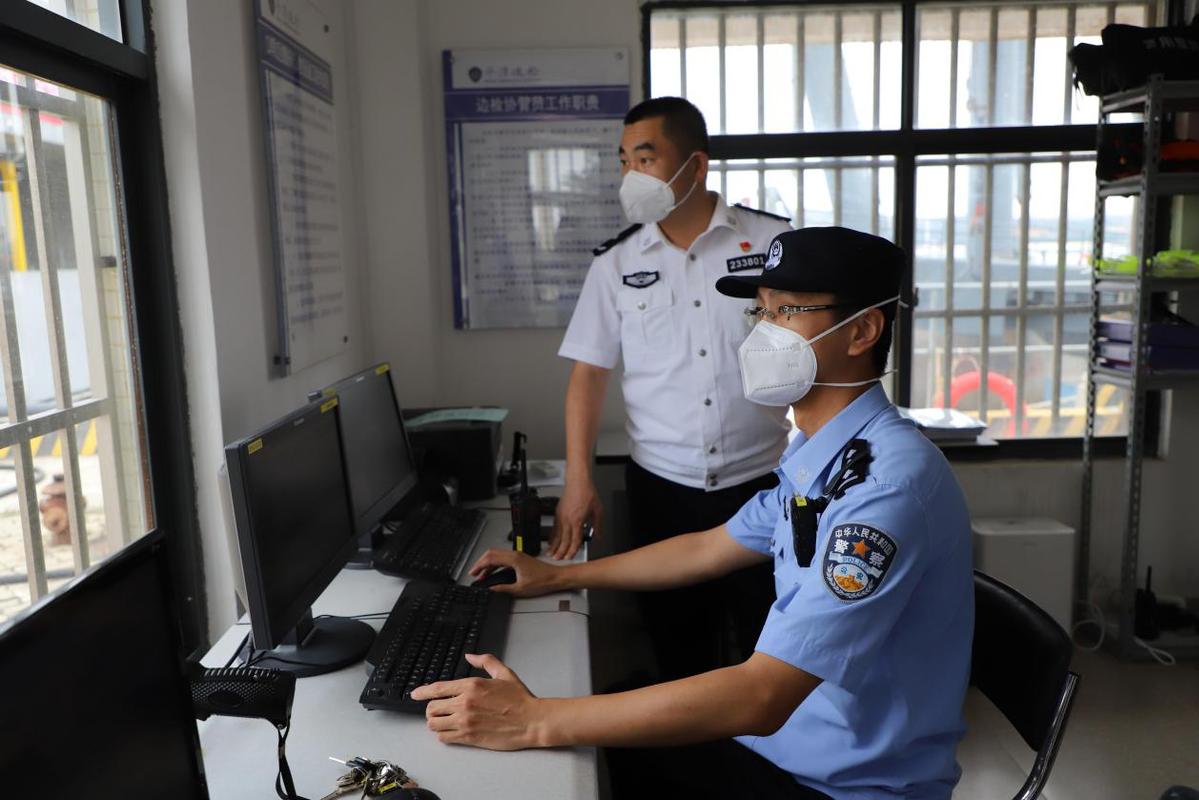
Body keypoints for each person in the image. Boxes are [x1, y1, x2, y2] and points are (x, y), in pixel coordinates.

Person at [413, 227, 975, 800]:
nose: (762, 333)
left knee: (568, 761)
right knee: (599, 732)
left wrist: (536, 719)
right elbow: (707, 547)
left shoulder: (884, 487)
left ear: (861, 331)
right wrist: (560, 575)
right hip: (788, 745)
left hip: (842, 784)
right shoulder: (825, 455)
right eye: (760, 312)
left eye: (786, 313)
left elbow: (762, 696)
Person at [552, 96, 792, 679]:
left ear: (696, 165)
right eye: (623, 160)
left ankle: (778, 769)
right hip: (665, 490)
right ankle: (694, 767)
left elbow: (814, 349)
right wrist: (578, 482)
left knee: (776, 652)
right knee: (678, 653)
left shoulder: (771, 245)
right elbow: (588, 373)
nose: (631, 174)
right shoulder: (616, 264)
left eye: (645, 156)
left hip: (762, 486)